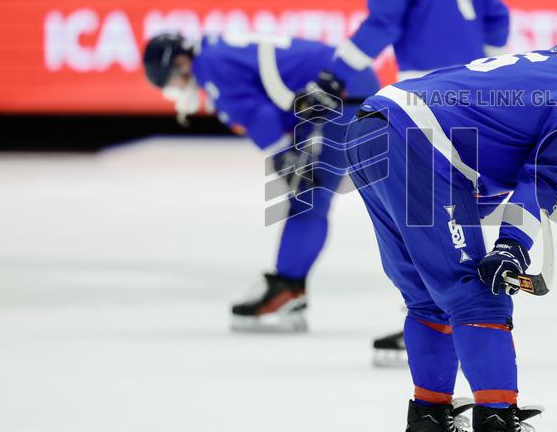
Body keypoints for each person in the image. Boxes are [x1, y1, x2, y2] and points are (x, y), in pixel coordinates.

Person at [345, 7, 557, 432]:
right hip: (419, 141)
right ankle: (497, 431)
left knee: (428, 298)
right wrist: (511, 246)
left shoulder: (552, 61)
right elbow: (543, 180)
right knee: (476, 293)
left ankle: (431, 429)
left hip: (371, 126)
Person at [231, 0, 511, 349]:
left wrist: (335, 75)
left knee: (421, 213)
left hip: (426, 92)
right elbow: (497, 16)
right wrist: (484, 69)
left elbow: (384, 20)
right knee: (453, 208)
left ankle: (444, 321)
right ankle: (456, 316)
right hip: (472, 87)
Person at [141, 32, 379, 332]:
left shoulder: (210, 66)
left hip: (339, 96)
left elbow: (261, 114)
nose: (175, 89)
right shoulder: (216, 53)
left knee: (310, 198)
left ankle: (289, 287)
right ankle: (289, 284)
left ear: (178, 63)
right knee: (307, 198)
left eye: (169, 81)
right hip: (338, 88)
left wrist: (282, 156)